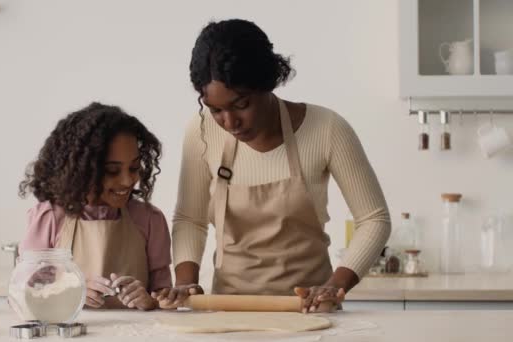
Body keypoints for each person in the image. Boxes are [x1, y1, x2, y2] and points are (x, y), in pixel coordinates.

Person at [155, 19, 391, 313]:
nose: (230, 123)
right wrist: (186, 282)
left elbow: (374, 219)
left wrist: (334, 285)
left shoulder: (327, 129)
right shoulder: (201, 131)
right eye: (215, 110)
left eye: (241, 105)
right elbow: (190, 218)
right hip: (226, 311)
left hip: (310, 310)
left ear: (267, 83)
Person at [19, 102, 171, 311]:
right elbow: (21, 296)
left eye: (134, 167)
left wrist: (150, 301)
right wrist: (70, 290)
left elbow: (166, 297)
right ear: (81, 170)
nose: (128, 181)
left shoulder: (150, 219)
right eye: (112, 171)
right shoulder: (49, 219)